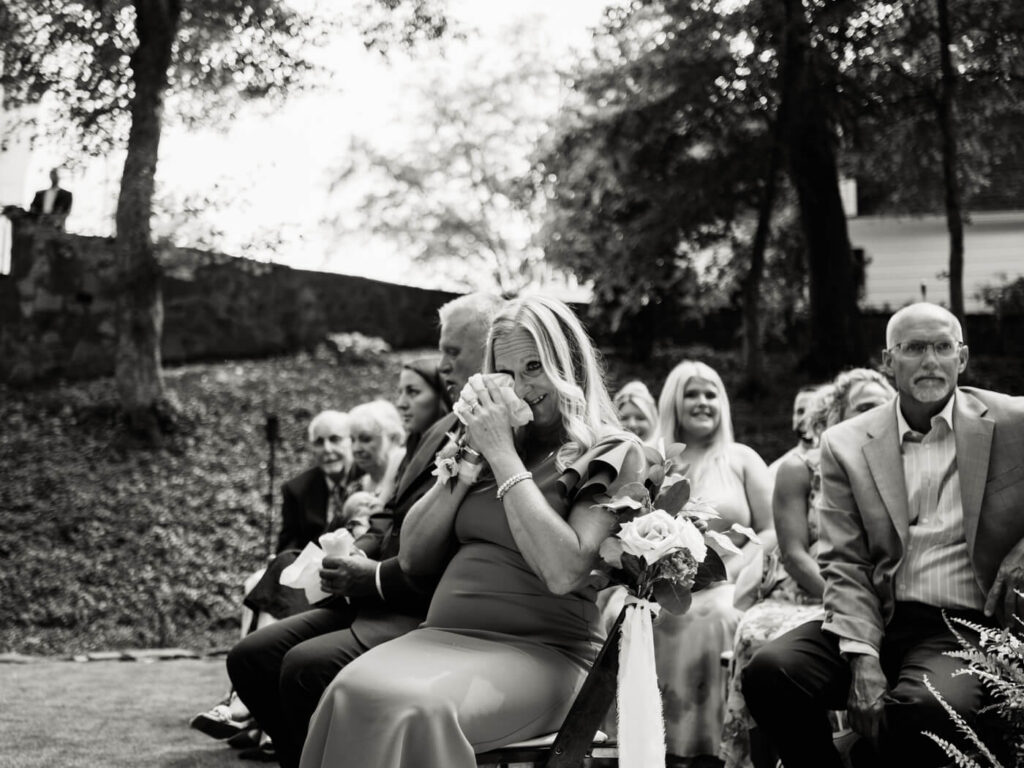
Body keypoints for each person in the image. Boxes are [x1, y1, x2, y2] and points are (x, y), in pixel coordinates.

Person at [298, 296, 648, 768]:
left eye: (534, 367)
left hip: (545, 652)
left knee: (416, 709)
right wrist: (465, 463)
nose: (522, 388)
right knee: (348, 689)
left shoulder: (611, 450)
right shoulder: (482, 441)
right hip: (441, 634)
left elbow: (564, 571)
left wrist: (503, 457)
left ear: (569, 366)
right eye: (507, 373)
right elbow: (415, 558)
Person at [226, 292, 503, 768]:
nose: (442, 366)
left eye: (452, 353)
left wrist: (373, 576)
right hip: (371, 596)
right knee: (249, 658)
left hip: (416, 605)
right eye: (441, 352)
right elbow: (388, 514)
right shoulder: (440, 431)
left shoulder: (499, 437)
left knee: (301, 668)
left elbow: (453, 549)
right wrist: (356, 549)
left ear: (494, 347)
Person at [742, 302, 1024, 768]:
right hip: (880, 614)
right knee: (772, 672)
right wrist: (862, 657)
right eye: (914, 348)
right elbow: (844, 562)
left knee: (926, 709)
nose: (930, 361)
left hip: (965, 625)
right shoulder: (846, 444)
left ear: (963, 358)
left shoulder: (1014, 421)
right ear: (888, 361)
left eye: (942, 347)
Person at [719, 370, 895, 768]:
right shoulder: (800, 468)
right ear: (837, 415)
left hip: (875, 594)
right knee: (759, 639)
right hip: (806, 587)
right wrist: (840, 599)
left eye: (885, 405)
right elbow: (795, 553)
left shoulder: (901, 463)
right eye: (865, 407)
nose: (879, 414)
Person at [190, 410, 361, 742]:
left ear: (352, 441)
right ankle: (248, 697)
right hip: (304, 573)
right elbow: (289, 545)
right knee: (257, 580)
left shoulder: (367, 476)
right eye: (319, 442)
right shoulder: (299, 489)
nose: (327, 449)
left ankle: (244, 701)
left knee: (271, 578)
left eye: (335, 440)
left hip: (345, 575)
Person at [646, 360, 774, 764]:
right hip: (657, 586)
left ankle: (710, 748)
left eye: (710, 393)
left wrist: (731, 574)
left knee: (716, 615)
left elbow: (772, 530)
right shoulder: (653, 461)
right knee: (629, 614)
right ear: (673, 403)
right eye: (692, 393)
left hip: (728, 585)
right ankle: (646, 742)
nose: (702, 402)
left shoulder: (741, 459)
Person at [766, 385, 820, 479]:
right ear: (793, 419)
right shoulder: (776, 471)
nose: (805, 417)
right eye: (800, 411)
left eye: (812, 410)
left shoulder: (837, 462)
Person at [613, 380, 660, 447]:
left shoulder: (667, 455)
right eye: (624, 418)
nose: (632, 424)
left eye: (640, 418)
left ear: (652, 421)